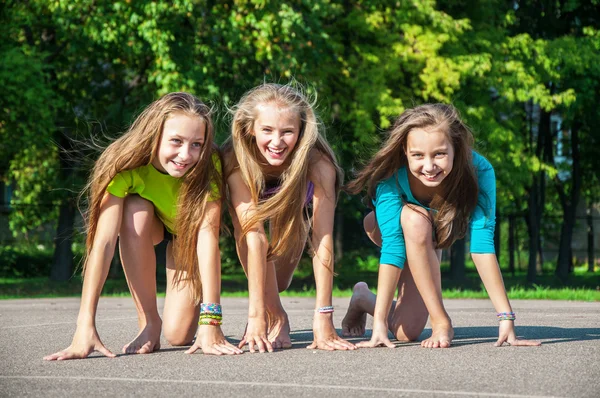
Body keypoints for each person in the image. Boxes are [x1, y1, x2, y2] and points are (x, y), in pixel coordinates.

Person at [44, 92, 242, 360]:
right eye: (176, 141)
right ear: (154, 135)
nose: (186, 154)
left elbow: (207, 238)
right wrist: (84, 326)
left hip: (187, 238)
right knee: (135, 208)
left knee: (178, 336)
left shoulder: (209, 164)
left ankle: (177, 314)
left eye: (197, 144)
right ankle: (149, 321)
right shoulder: (125, 165)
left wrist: (211, 321)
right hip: (150, 226)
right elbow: (102, 244)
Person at [342, 104, 541, 349]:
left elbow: (482, 245)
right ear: (404, 151)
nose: (428, 166)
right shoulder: (390, 175)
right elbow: (393, 248)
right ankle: (441, 322)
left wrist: (506, 318)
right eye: (418, 155)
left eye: (439, 154)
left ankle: (363, 298)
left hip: (429, 235)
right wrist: (379, 325)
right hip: (384, 230)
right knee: (415, 221)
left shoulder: (479, 170)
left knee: (407, 331)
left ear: (456, 148)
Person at [223, 83, 356, 353]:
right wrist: (258, 316)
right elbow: (255, 236)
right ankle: (278, 316)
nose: (277, 141)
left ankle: (359, 299)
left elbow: (323, 239)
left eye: (288, 132)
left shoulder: (319, 164)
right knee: (247, 234)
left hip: (293, 205)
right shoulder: (234, 160)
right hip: (250, 224)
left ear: (301, 131)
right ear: (251, 128)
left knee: (280, 282)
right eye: (267, 130)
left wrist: (324, 316)